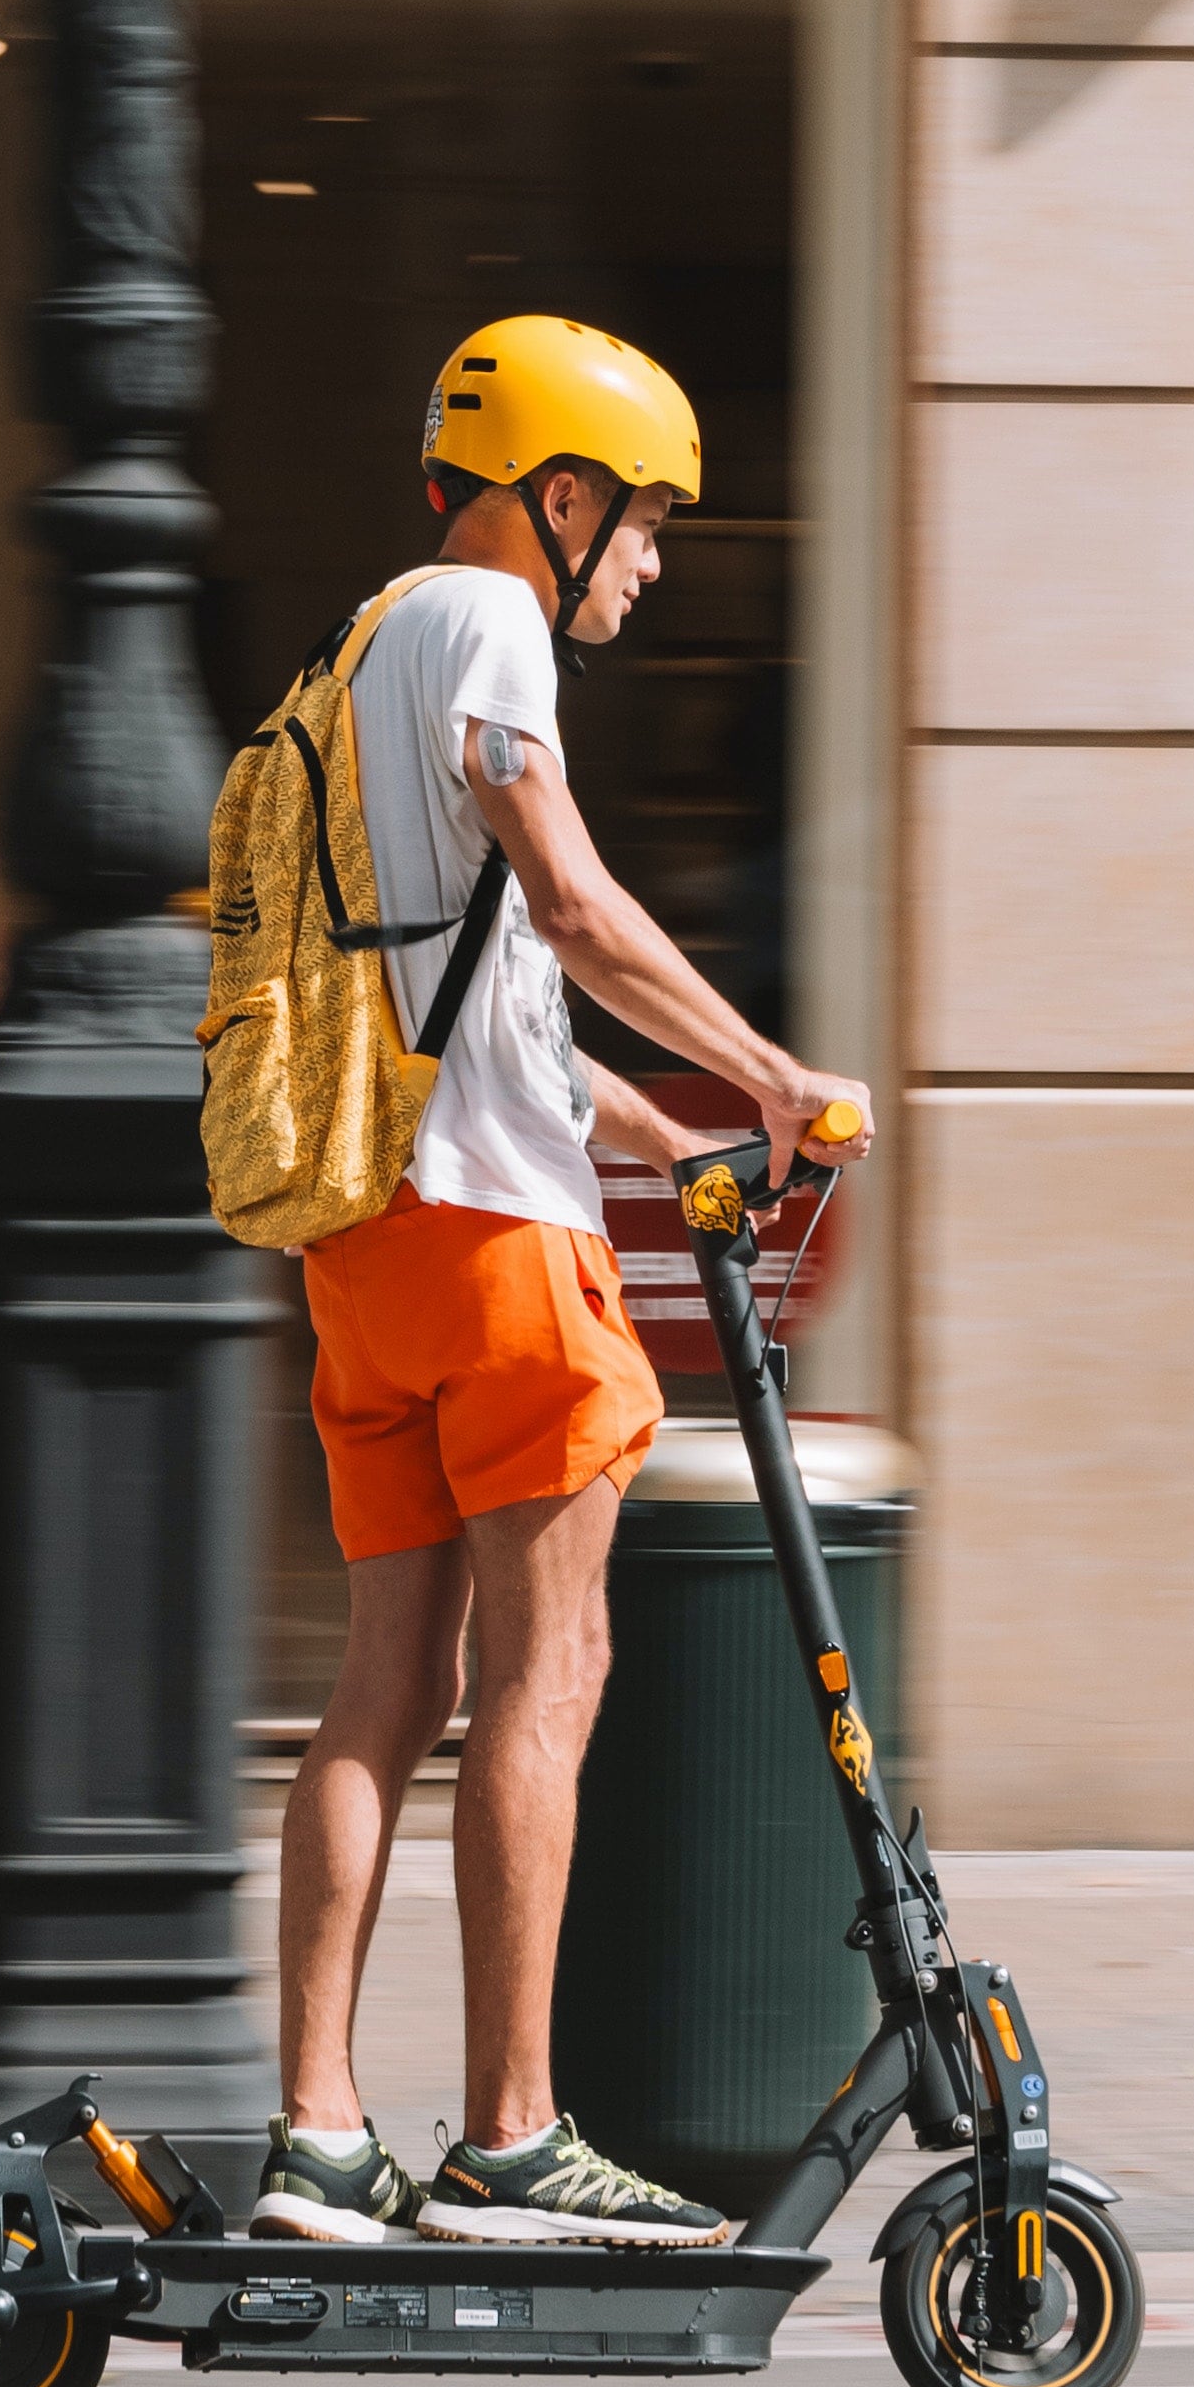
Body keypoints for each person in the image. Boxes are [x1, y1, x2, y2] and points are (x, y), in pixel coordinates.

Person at [255, 315, 874, 2250]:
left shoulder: (358, 652)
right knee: (553, 1671)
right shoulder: (493, 624)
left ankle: (319, 2138)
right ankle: (515, 2136)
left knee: (386, 1686)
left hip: (369, 1247)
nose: (656, 561)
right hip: (501, 1250)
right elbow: (583, 906)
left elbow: (495, 994)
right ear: (561, 493)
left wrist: (669, 1141)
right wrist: (776, 1077)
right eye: (646, 520)